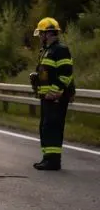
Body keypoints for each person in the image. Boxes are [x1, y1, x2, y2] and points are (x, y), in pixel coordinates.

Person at [29, 17, 75, 171]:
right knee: (45, 127)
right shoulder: (46, 51)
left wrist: (55, 91)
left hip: (56, 97)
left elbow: (66, 73)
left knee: (53, 127)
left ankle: (54, 161)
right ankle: (47, 158)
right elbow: (47, 73)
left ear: (47, 34)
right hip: (46, 97)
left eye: (41, 34)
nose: (40, 37)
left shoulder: (60, 50)